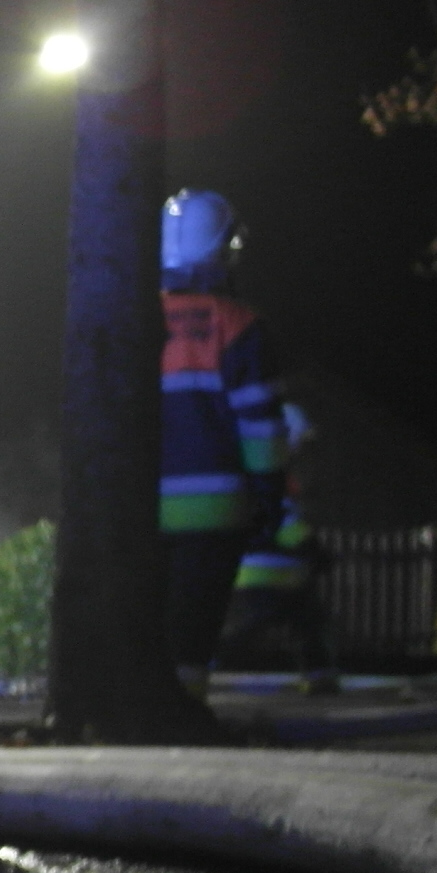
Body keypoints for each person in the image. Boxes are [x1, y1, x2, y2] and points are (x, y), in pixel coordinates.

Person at [159, 189, 288, 702]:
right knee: (194, 634)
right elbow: (261, 427)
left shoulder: (134, 321)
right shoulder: (239, 326)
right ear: (226, 247)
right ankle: (185, 716)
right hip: (216, 510)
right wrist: (270, 495)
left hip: (137, 508)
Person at [217, 405, 338, 695]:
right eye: (300, 443)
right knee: (260, 629)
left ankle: (319, 678)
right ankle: (199, 665)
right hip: (267, 573)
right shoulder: (268, 473)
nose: (304, 452)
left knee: (304, 625)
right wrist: (311, 548)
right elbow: (281, 518)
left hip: (279, 574)